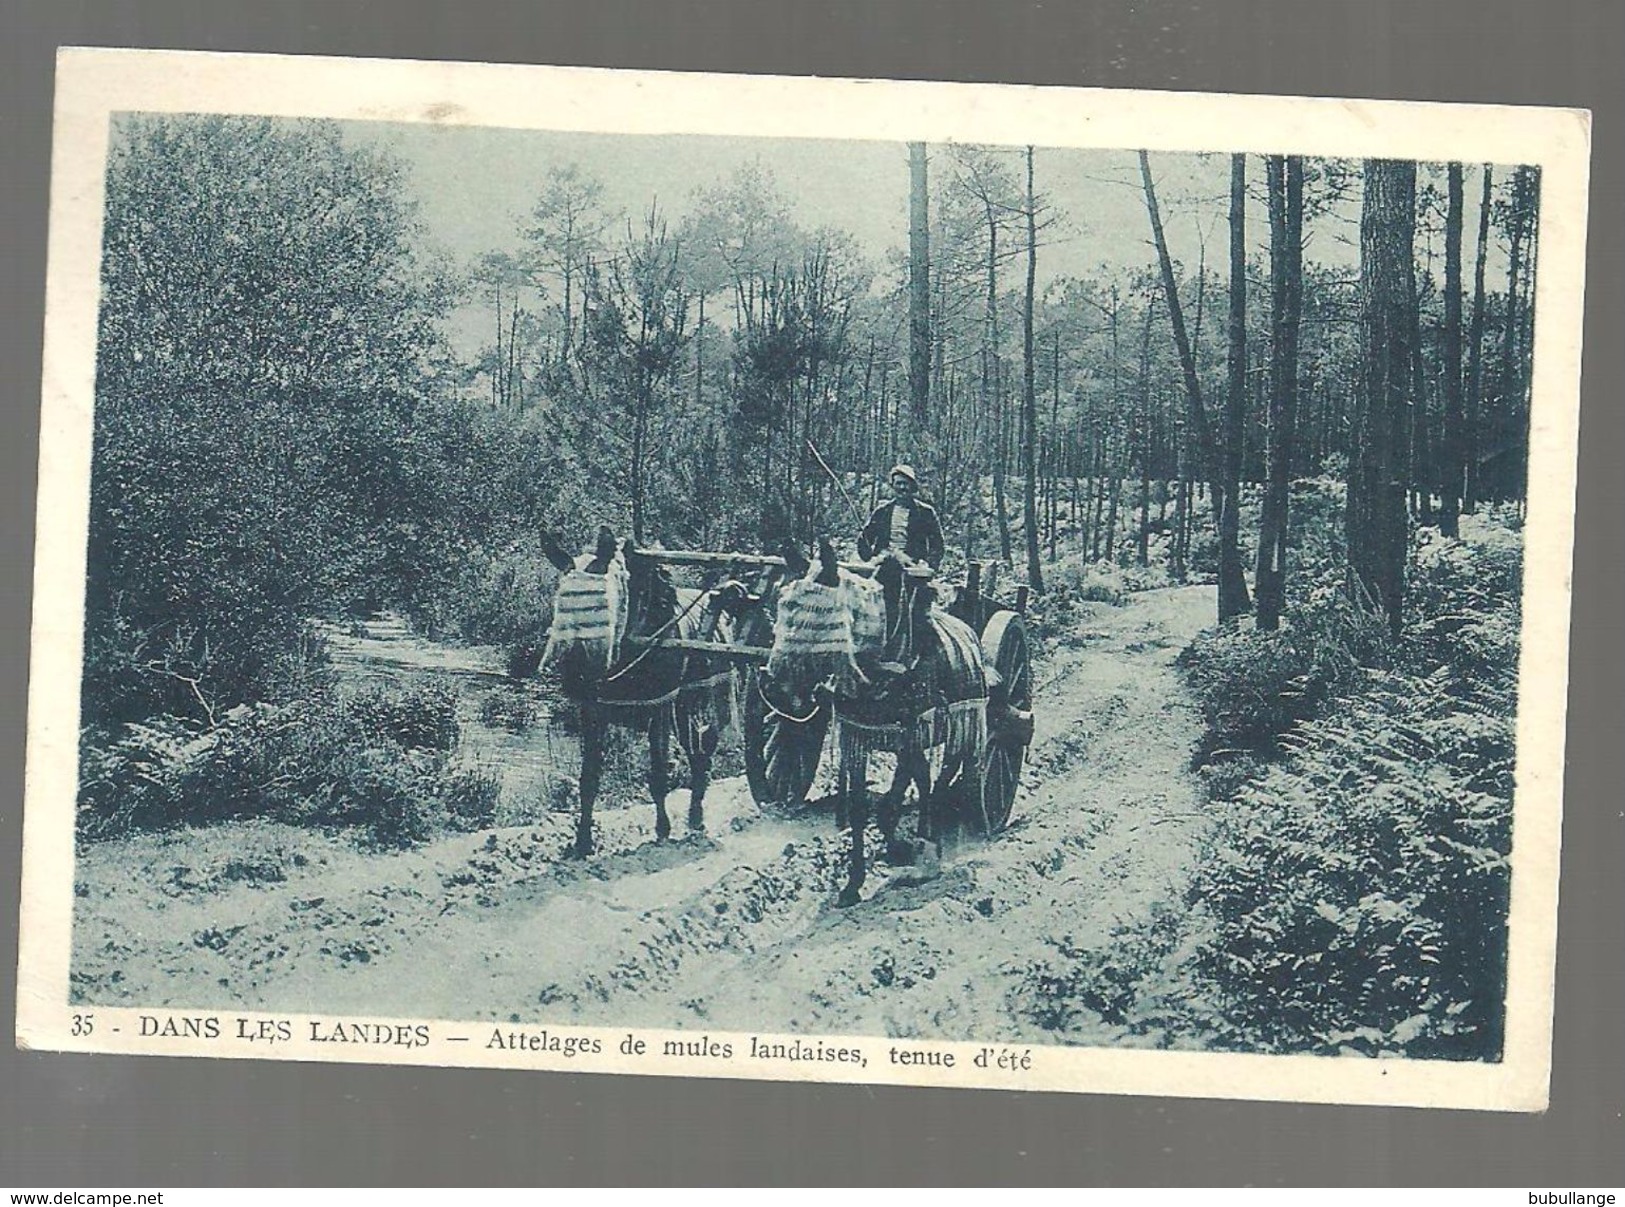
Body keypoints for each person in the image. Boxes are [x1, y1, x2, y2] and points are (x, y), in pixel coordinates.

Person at [857, 464, 945, 570]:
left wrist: (929, 564)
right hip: (883, 564)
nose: (902, 487)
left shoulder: (926, 512)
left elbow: (937, 544)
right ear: (893, 486)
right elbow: (864, 538)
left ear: (912, 486)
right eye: (898, 483)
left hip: (913, 565)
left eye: (905, 484)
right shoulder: (882, 511)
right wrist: (870, 559)